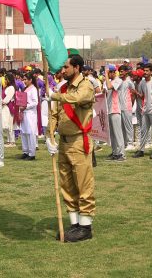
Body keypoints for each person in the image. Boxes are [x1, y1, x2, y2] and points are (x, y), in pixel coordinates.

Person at [48, 54, 95, 242]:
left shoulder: (86, 85)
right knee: (67, 184)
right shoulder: (63, 88)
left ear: (77, 68)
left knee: (83, 183)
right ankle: (74, 224)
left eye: (66, 67)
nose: (63, 70)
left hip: (78, 141)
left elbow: (76, 98)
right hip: (64, 141)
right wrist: (50, 136)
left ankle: (85, 227)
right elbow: (54, 114)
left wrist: (54, 95)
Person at [133, 63, 152, 160]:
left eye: (147, 71)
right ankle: (141, 150)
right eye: (144, 71)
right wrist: (136, 93)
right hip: (145, 110)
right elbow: (142, 96)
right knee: (143, 130)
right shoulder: (142, 83)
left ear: (151, 72)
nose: (145, 72)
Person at [104, 65, 126, 162]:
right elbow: (107, 91)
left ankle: (122, 154)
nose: (107, 75)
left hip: (116, 110)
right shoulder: (110, 81)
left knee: (118, 133)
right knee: (112, 134)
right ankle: (115, 153)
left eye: (108, 73)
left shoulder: (118, 80)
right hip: (109, 110)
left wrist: (106, 75)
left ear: (113, 72)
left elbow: (109, 87)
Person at [20, 71, 39, 160]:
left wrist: (26, 106)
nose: (24, 81)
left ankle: (32, 153)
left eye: (25, 79)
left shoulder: (33, 89)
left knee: (30, 132)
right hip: (24, 112)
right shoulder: (25, 88)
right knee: (24, 132)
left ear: (30, 80)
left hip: (30, 113)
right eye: (23, 79)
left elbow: (35, 102)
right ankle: (25, 151)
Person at [2, 72, 17, 148]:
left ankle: (12, 141)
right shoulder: (6, 87)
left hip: (8, 108)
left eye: (6, 79)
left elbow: (7, 99)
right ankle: (8, 140)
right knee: (6, 125)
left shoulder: (11, 88)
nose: (5, 81)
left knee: (10, 124)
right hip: (4, 108)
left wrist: (1, 102)